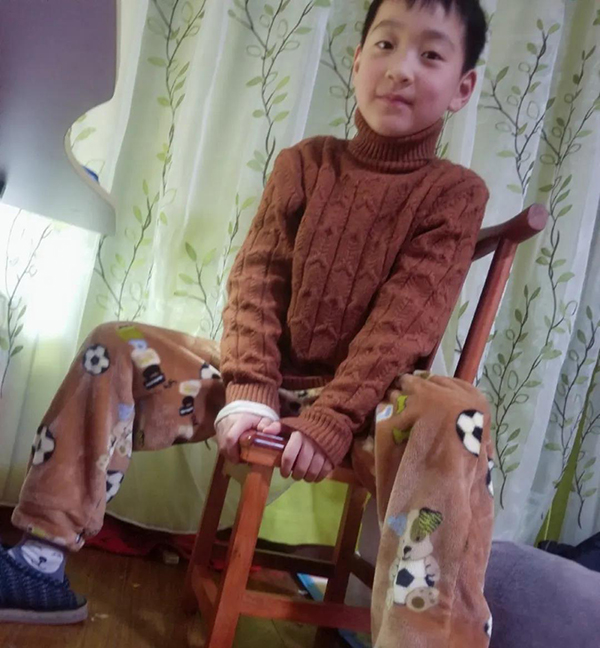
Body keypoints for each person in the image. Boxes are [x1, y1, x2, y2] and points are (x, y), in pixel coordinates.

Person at [1, 0, 493, 644]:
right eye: (385, 45)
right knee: (115, 342)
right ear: (356, 60)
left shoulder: (456, 193)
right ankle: (38, 562)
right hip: (264, 382)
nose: (401, 68)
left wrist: (332, 417)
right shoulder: (304, 163)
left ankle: (428, 640)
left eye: (429, 54)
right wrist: (251, 391)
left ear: (462, 88)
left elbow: (405, 323)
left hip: (369, 408)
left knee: (460, 413)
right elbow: (256, 281)